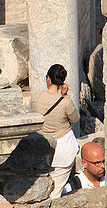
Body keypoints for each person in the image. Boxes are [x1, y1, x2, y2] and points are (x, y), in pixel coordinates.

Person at [31, 64, 82, 199]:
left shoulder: (36, 99)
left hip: (42, 147)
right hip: (63, 149)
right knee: (56, 190)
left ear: (48, 78)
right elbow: (75, 118)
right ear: (62, 82)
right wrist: (64, 96)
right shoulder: (65, 102)